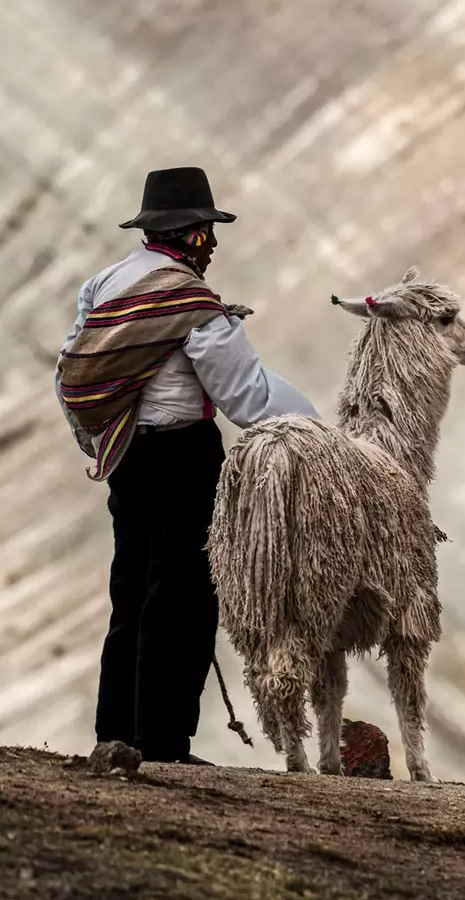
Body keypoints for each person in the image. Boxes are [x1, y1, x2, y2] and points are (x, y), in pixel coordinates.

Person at [56, 166, 320, 765]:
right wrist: (316, 433)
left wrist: (95, 442)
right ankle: (164, 743)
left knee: (131, 592)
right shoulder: (191, 302)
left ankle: (114, 734)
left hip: (124, 454)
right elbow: (246, 395)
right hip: (184, 459)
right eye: (206, 231)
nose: (214, 244)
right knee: (183, 597)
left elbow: (72, 370)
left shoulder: (103, 285)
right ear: (187, 235)